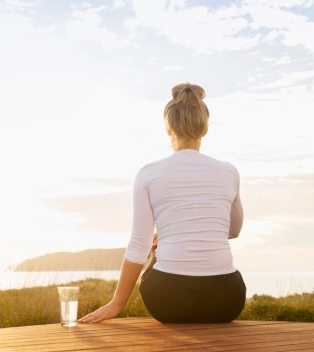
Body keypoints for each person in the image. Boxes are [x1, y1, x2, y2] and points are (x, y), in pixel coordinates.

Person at [79, 82, 245, 324]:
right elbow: (233, 230)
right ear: (205, 129)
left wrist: (117, 304)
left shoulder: (150, 173)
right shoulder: (229, 172)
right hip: (226, 302)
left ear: (168, 129)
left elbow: (139, 245)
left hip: (168, 301)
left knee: (157, 247)